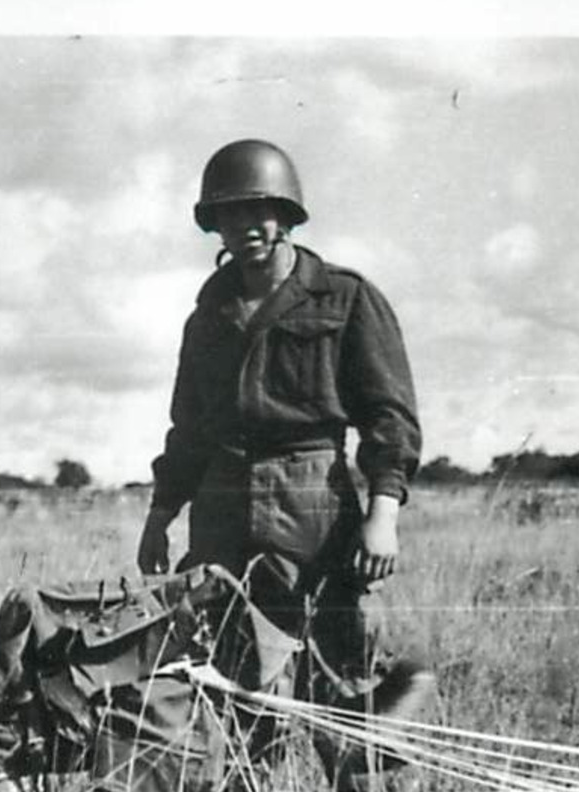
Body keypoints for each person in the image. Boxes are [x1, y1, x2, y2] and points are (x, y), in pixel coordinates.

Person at [136, 138, 425, 716]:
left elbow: (389, 418)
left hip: (309, 494)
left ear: (287, 215)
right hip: (222, 501)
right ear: (213, 225)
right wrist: (160, 516)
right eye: (229, 214)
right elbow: (187, 430)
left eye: (259, 211)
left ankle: (375, 790)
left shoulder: (345, 298)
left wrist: (383, 514)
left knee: (336, 666)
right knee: (227, 670)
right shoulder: (207, 318)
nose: (245, 226)